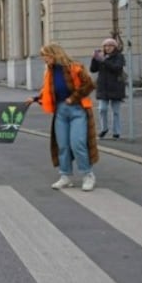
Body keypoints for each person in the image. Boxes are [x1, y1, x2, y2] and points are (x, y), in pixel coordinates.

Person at [25, 43, 99, 191]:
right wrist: (34, 99)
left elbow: (89, 84)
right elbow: (47, 90)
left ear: (54, 54)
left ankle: (88, 175)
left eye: (44, 55)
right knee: (63, 146)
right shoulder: (50, 71)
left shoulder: (74, 66)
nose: (43, 58)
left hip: (77, 110)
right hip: (60, 112)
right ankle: (65, 176)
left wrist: (73, 98)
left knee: (77, 143)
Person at [90, 38, 126, 140]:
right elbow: (93, 69)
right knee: (102, 109)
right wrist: (94, 58)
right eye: (105, 46)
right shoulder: (102, 57)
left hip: (116, 87)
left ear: (115, 47)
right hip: (103, 87)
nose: (107, 48)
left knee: (116, 111)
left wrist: (104, 60)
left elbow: (117, 68)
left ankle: (116, 132)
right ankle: (104, 129)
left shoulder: (119, 57)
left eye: (110, 45)